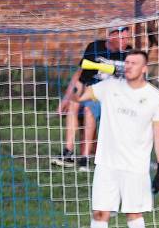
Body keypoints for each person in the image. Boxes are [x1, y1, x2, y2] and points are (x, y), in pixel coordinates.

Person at [73, 50, 159, 228]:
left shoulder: (154, 96)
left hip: (135, 167)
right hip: (106, 163)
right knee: (99, 213)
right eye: (126, 62)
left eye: (134, 63)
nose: (128, 66)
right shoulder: (110, 87)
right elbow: (79, 97)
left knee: (133, 214)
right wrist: (83, 77)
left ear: (144, 68)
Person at [53, 26, 131, 171]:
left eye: (127, 38)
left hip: (111, 94)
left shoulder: (129, 54)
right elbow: (80, 75)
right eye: (123, 38)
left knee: (89, 109)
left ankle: (85, 159)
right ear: (111, 36)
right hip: (91, 89)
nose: (126, 41)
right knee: (73, 104)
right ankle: (67, 153)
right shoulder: (95, 47)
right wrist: (66, 98)